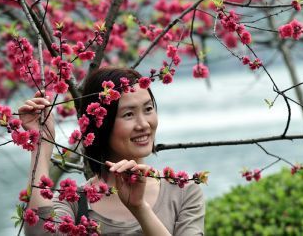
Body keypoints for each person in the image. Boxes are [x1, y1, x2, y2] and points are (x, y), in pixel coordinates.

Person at [21, 67, 205, 235]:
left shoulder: (182, 192)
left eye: (148, 109)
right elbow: (38, 230)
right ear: (101, 124)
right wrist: (41, 143)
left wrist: (140, 208)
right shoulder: (75, 202)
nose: (143, 124)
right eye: (128, 114)